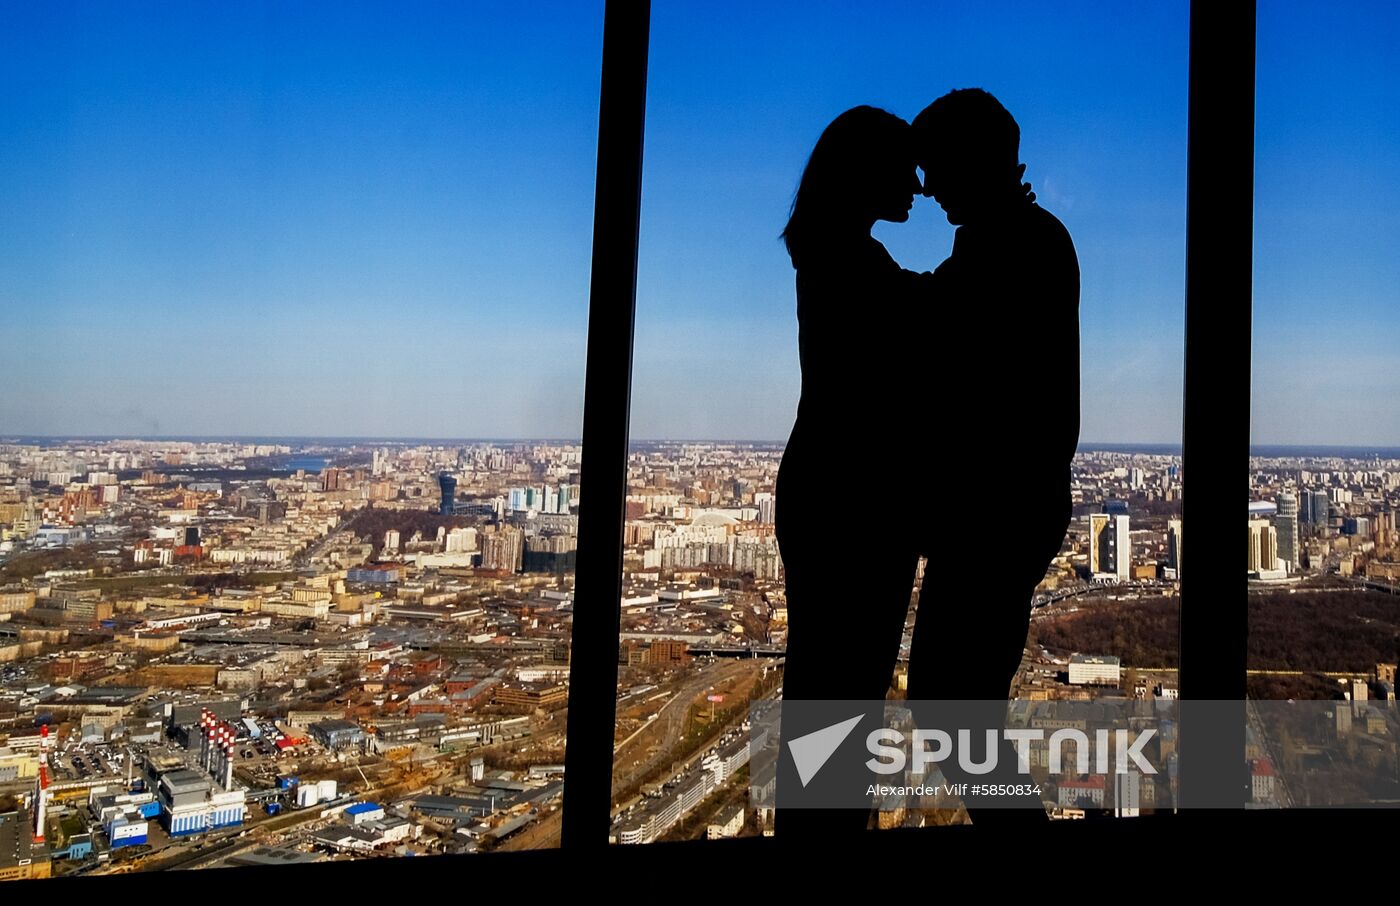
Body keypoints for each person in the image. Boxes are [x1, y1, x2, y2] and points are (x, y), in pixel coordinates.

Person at [904, 88, 1080, 825]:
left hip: (995, 514)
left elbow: (929, 319)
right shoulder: (1024, 237)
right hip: (1007, 509)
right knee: (958, 705)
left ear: (971, 163)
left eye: (935, 169)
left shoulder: (1006, 246)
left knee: (949, 703)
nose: (927, 188)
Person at [773, 105, 933, 843]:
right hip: (855, 504)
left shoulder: (833, 252)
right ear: (866, 173)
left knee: (826, 693)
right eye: (906, 169)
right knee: (844, 693)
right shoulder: (852, 261)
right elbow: (934, 314)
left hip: (831, 490)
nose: (920, 187)